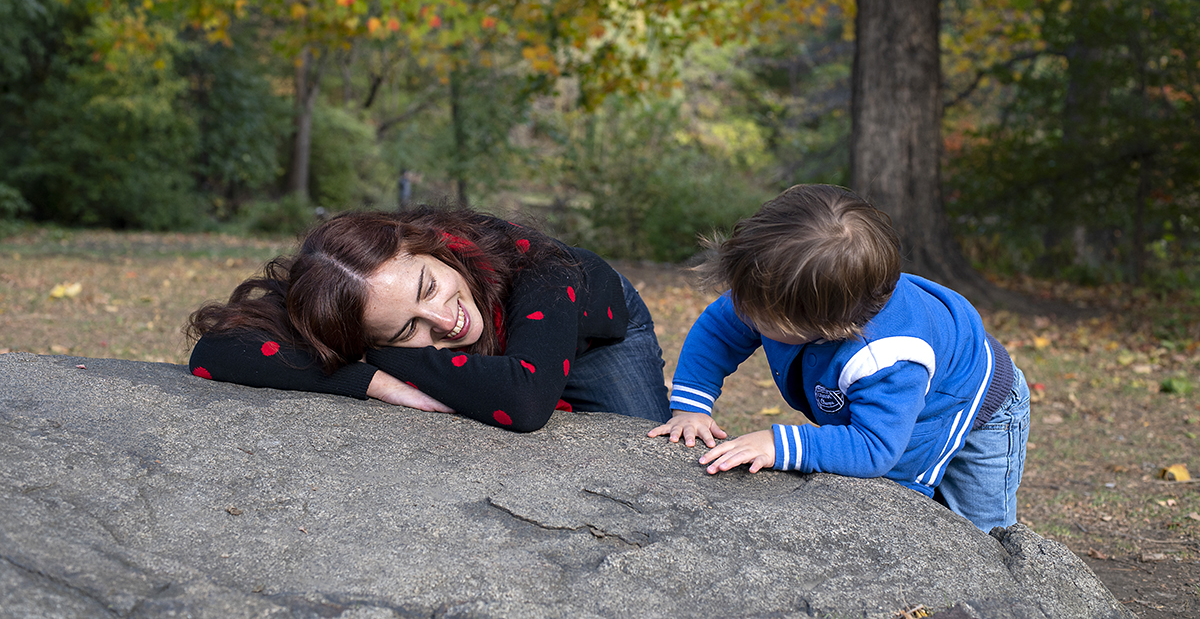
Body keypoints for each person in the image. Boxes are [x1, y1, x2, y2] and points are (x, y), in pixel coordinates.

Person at [648, 184, 1030, 532]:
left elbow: (876, 447)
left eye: (762, 319)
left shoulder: (888, 358)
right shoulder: (768, 294)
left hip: (975, 405)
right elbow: (718, 331)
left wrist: (779, 445)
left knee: (971, 526)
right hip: (900, 395)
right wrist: (691, 407)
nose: (745, 314)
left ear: (832, 329)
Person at [187, 206, 671, 432]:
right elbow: (213, 353)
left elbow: (524, 403)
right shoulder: (338, 293)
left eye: (429, 287)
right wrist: (371, 380)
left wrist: (380, 356)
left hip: (597, 337)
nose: (445, 321)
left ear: (427, 246)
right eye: (406, 328)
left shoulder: (539, 269)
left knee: (651, 459)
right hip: (517, 347)